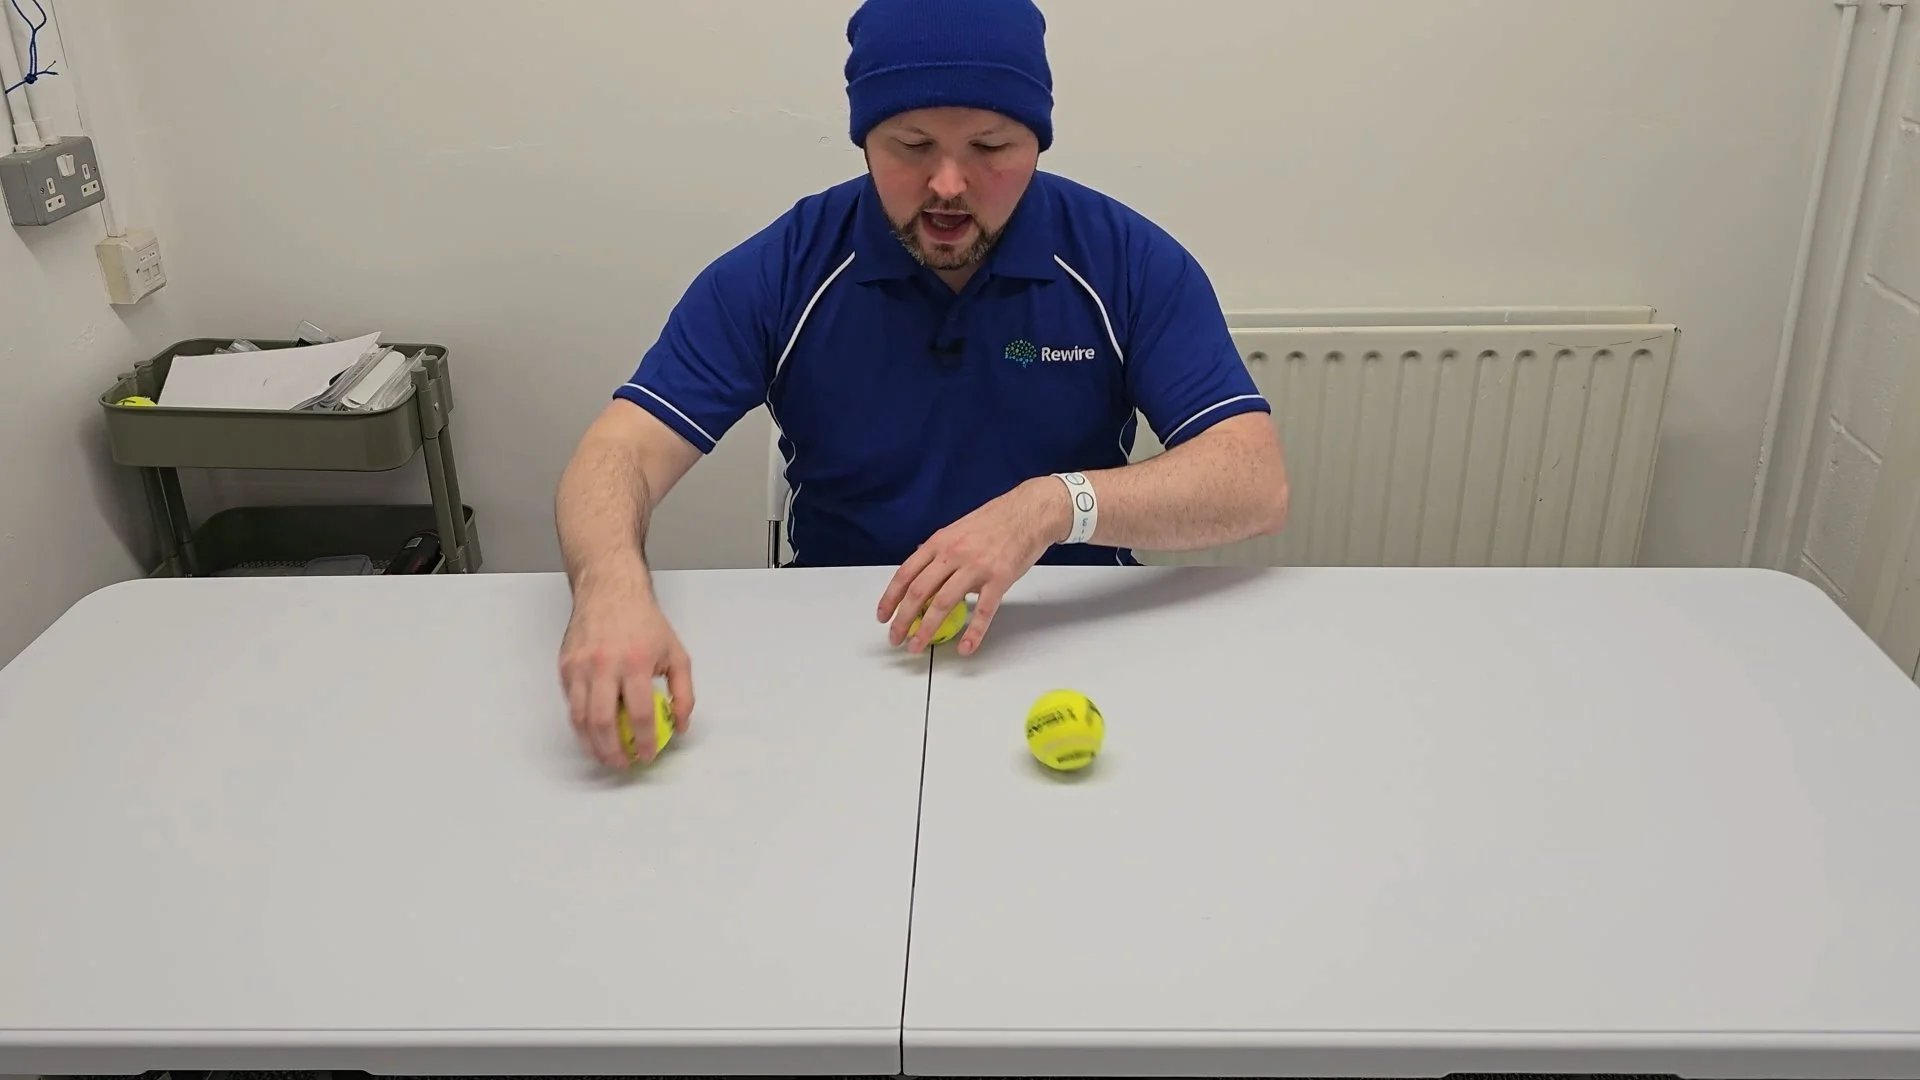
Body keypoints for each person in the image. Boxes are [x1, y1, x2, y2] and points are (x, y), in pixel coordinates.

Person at [554, 0, 1290, 767]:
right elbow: (621, 452)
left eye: (989, 145)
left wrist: (1049, 506)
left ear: (1036, 141)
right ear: (864, 139)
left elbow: (1254, 480)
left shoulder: (1127, 260)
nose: (948, 183)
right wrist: (608, 590)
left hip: (1066, 631)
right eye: (911, 144)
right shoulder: (786, 267)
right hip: (844, 642)